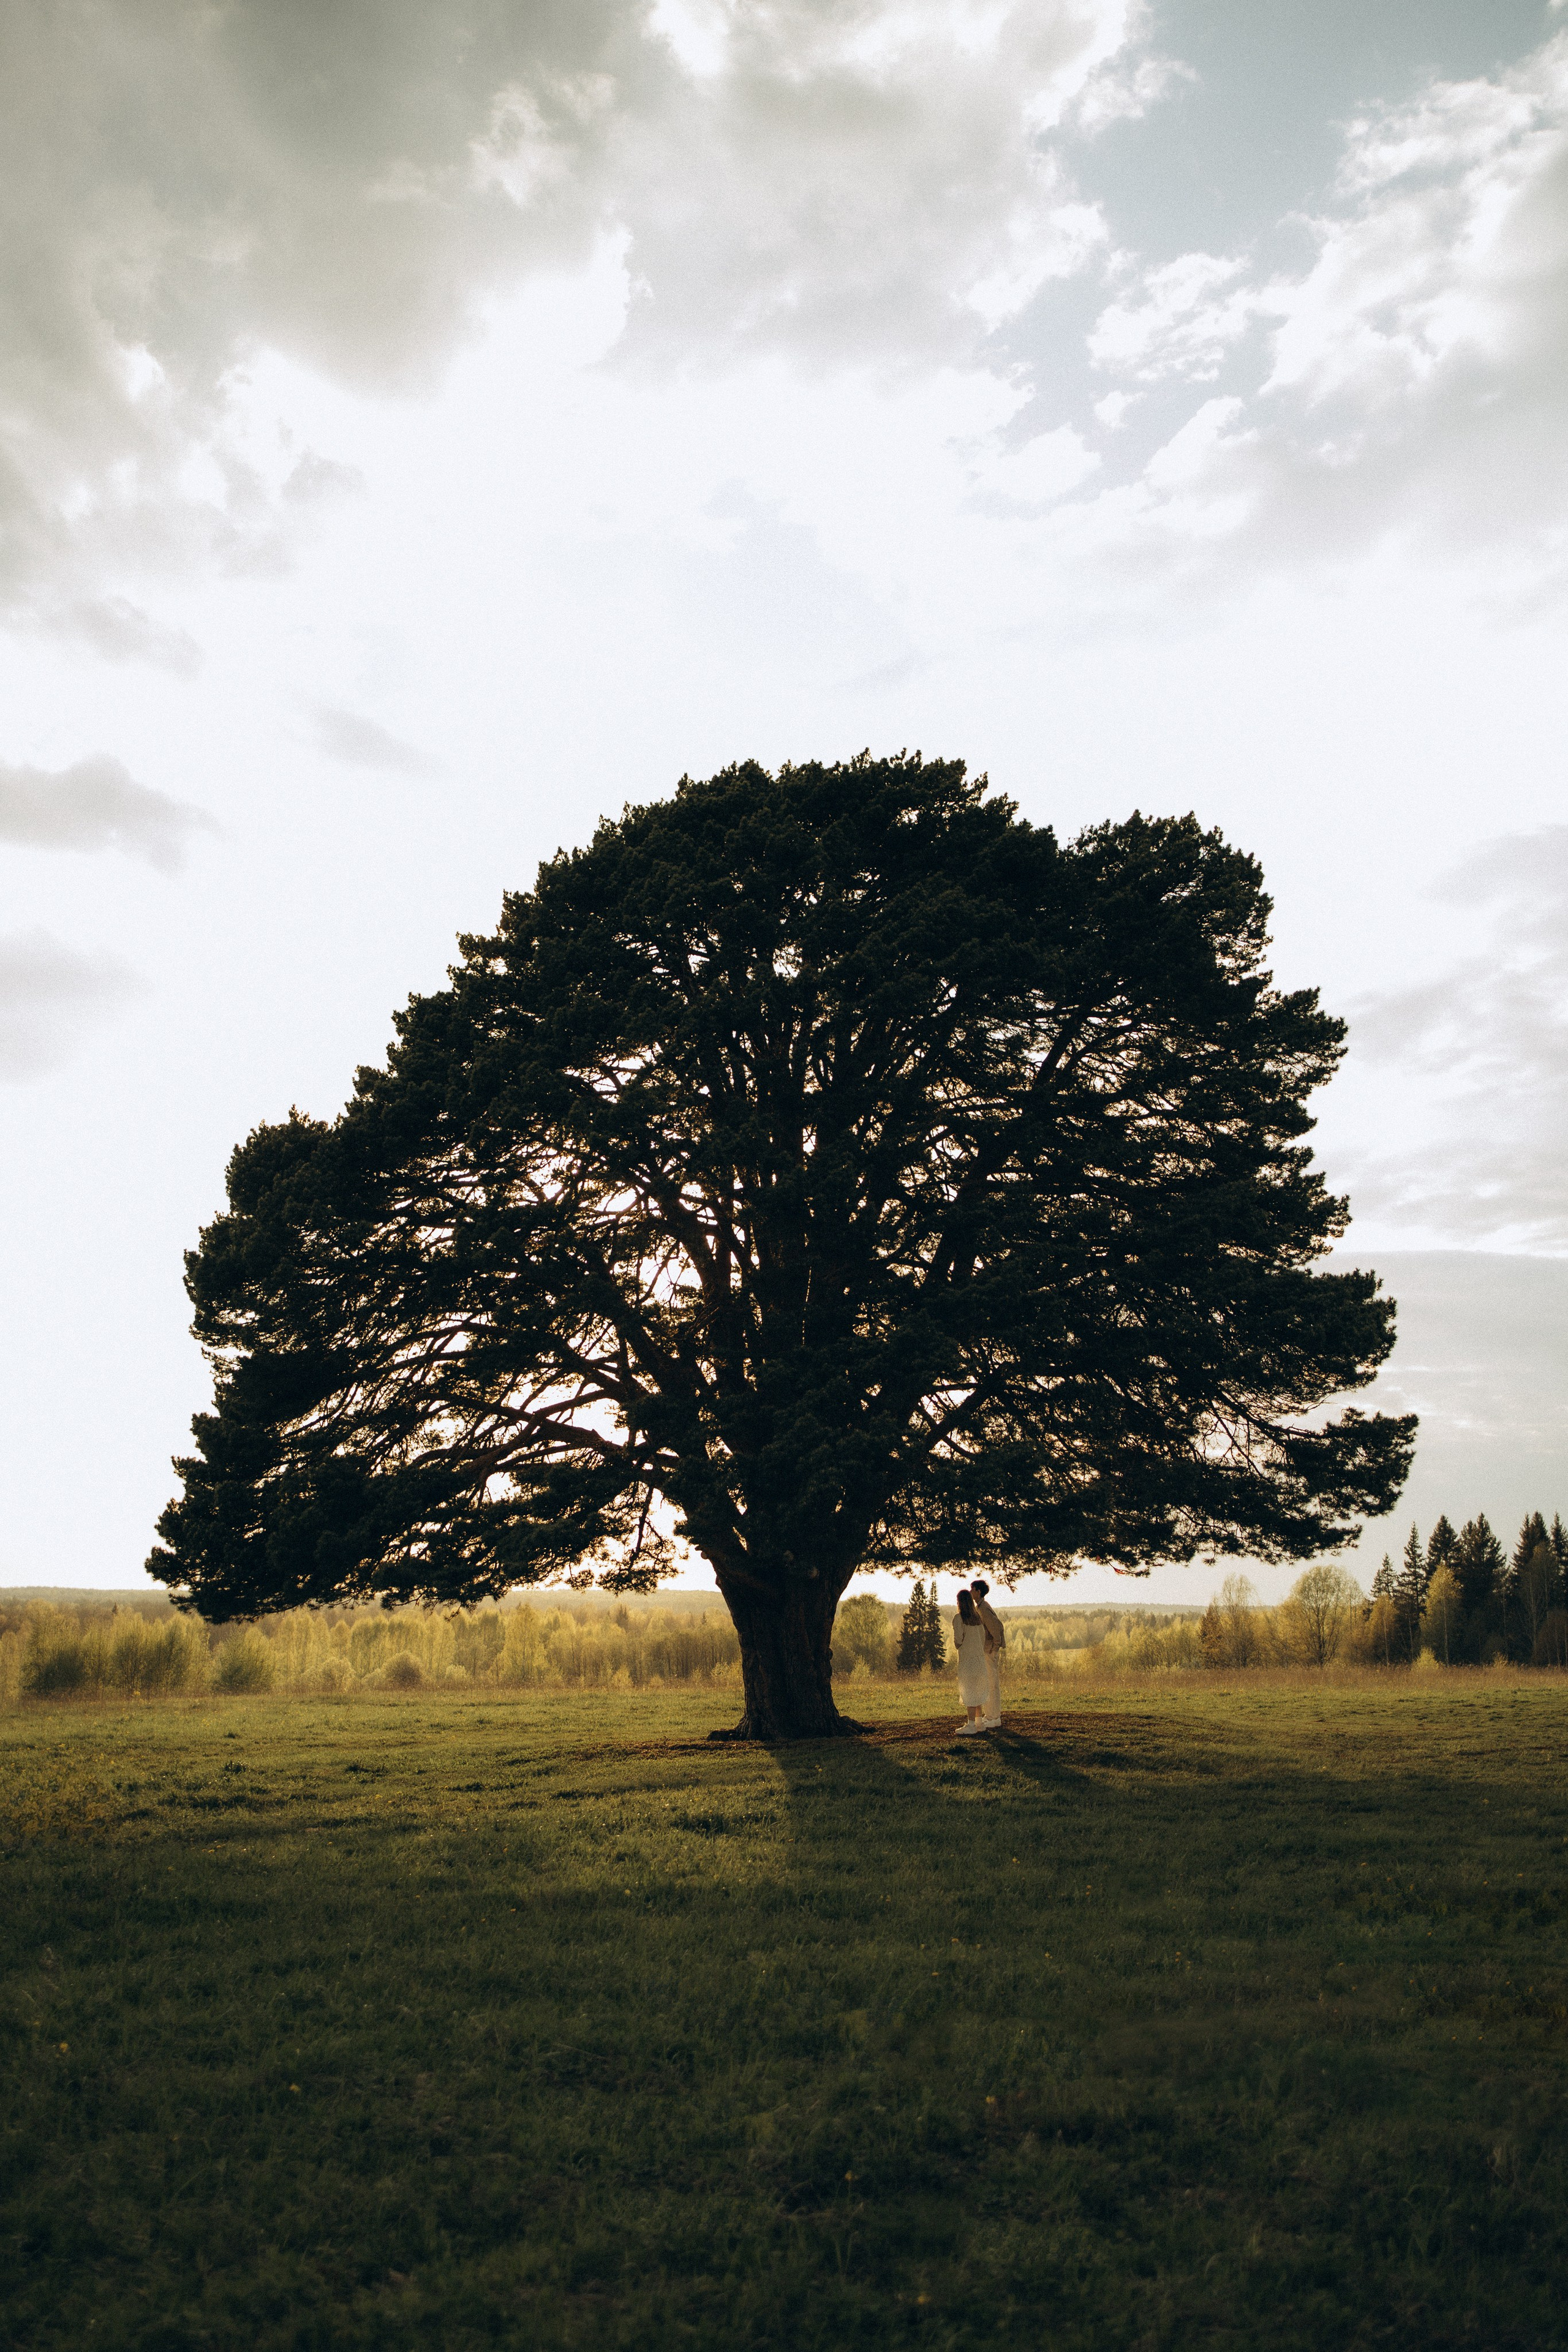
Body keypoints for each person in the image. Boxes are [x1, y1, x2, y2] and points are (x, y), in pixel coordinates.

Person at [952, 1588, 990, 1733]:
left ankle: (971, 1725)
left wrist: (959, 1646)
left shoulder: (959, 1618)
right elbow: (983, 1638)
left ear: (960, 1602)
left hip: (967, 1661)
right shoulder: (978, 1619)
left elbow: (958, 1640)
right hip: (979, 1660)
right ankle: (980, 1723)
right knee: (978, 1692)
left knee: (969, 1693)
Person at [970, 1578, 1005, 1727]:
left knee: (991, 1685)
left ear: (979, 1592)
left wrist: (994, 1649)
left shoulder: (983, 1609)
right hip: (986, 1650)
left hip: (989, 1651)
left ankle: (994, 1718)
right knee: (988, 1684)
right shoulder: (981, 1607)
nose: (971, 1591)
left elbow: (997, 1629)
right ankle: (991, 1716)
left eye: (973, 1589)